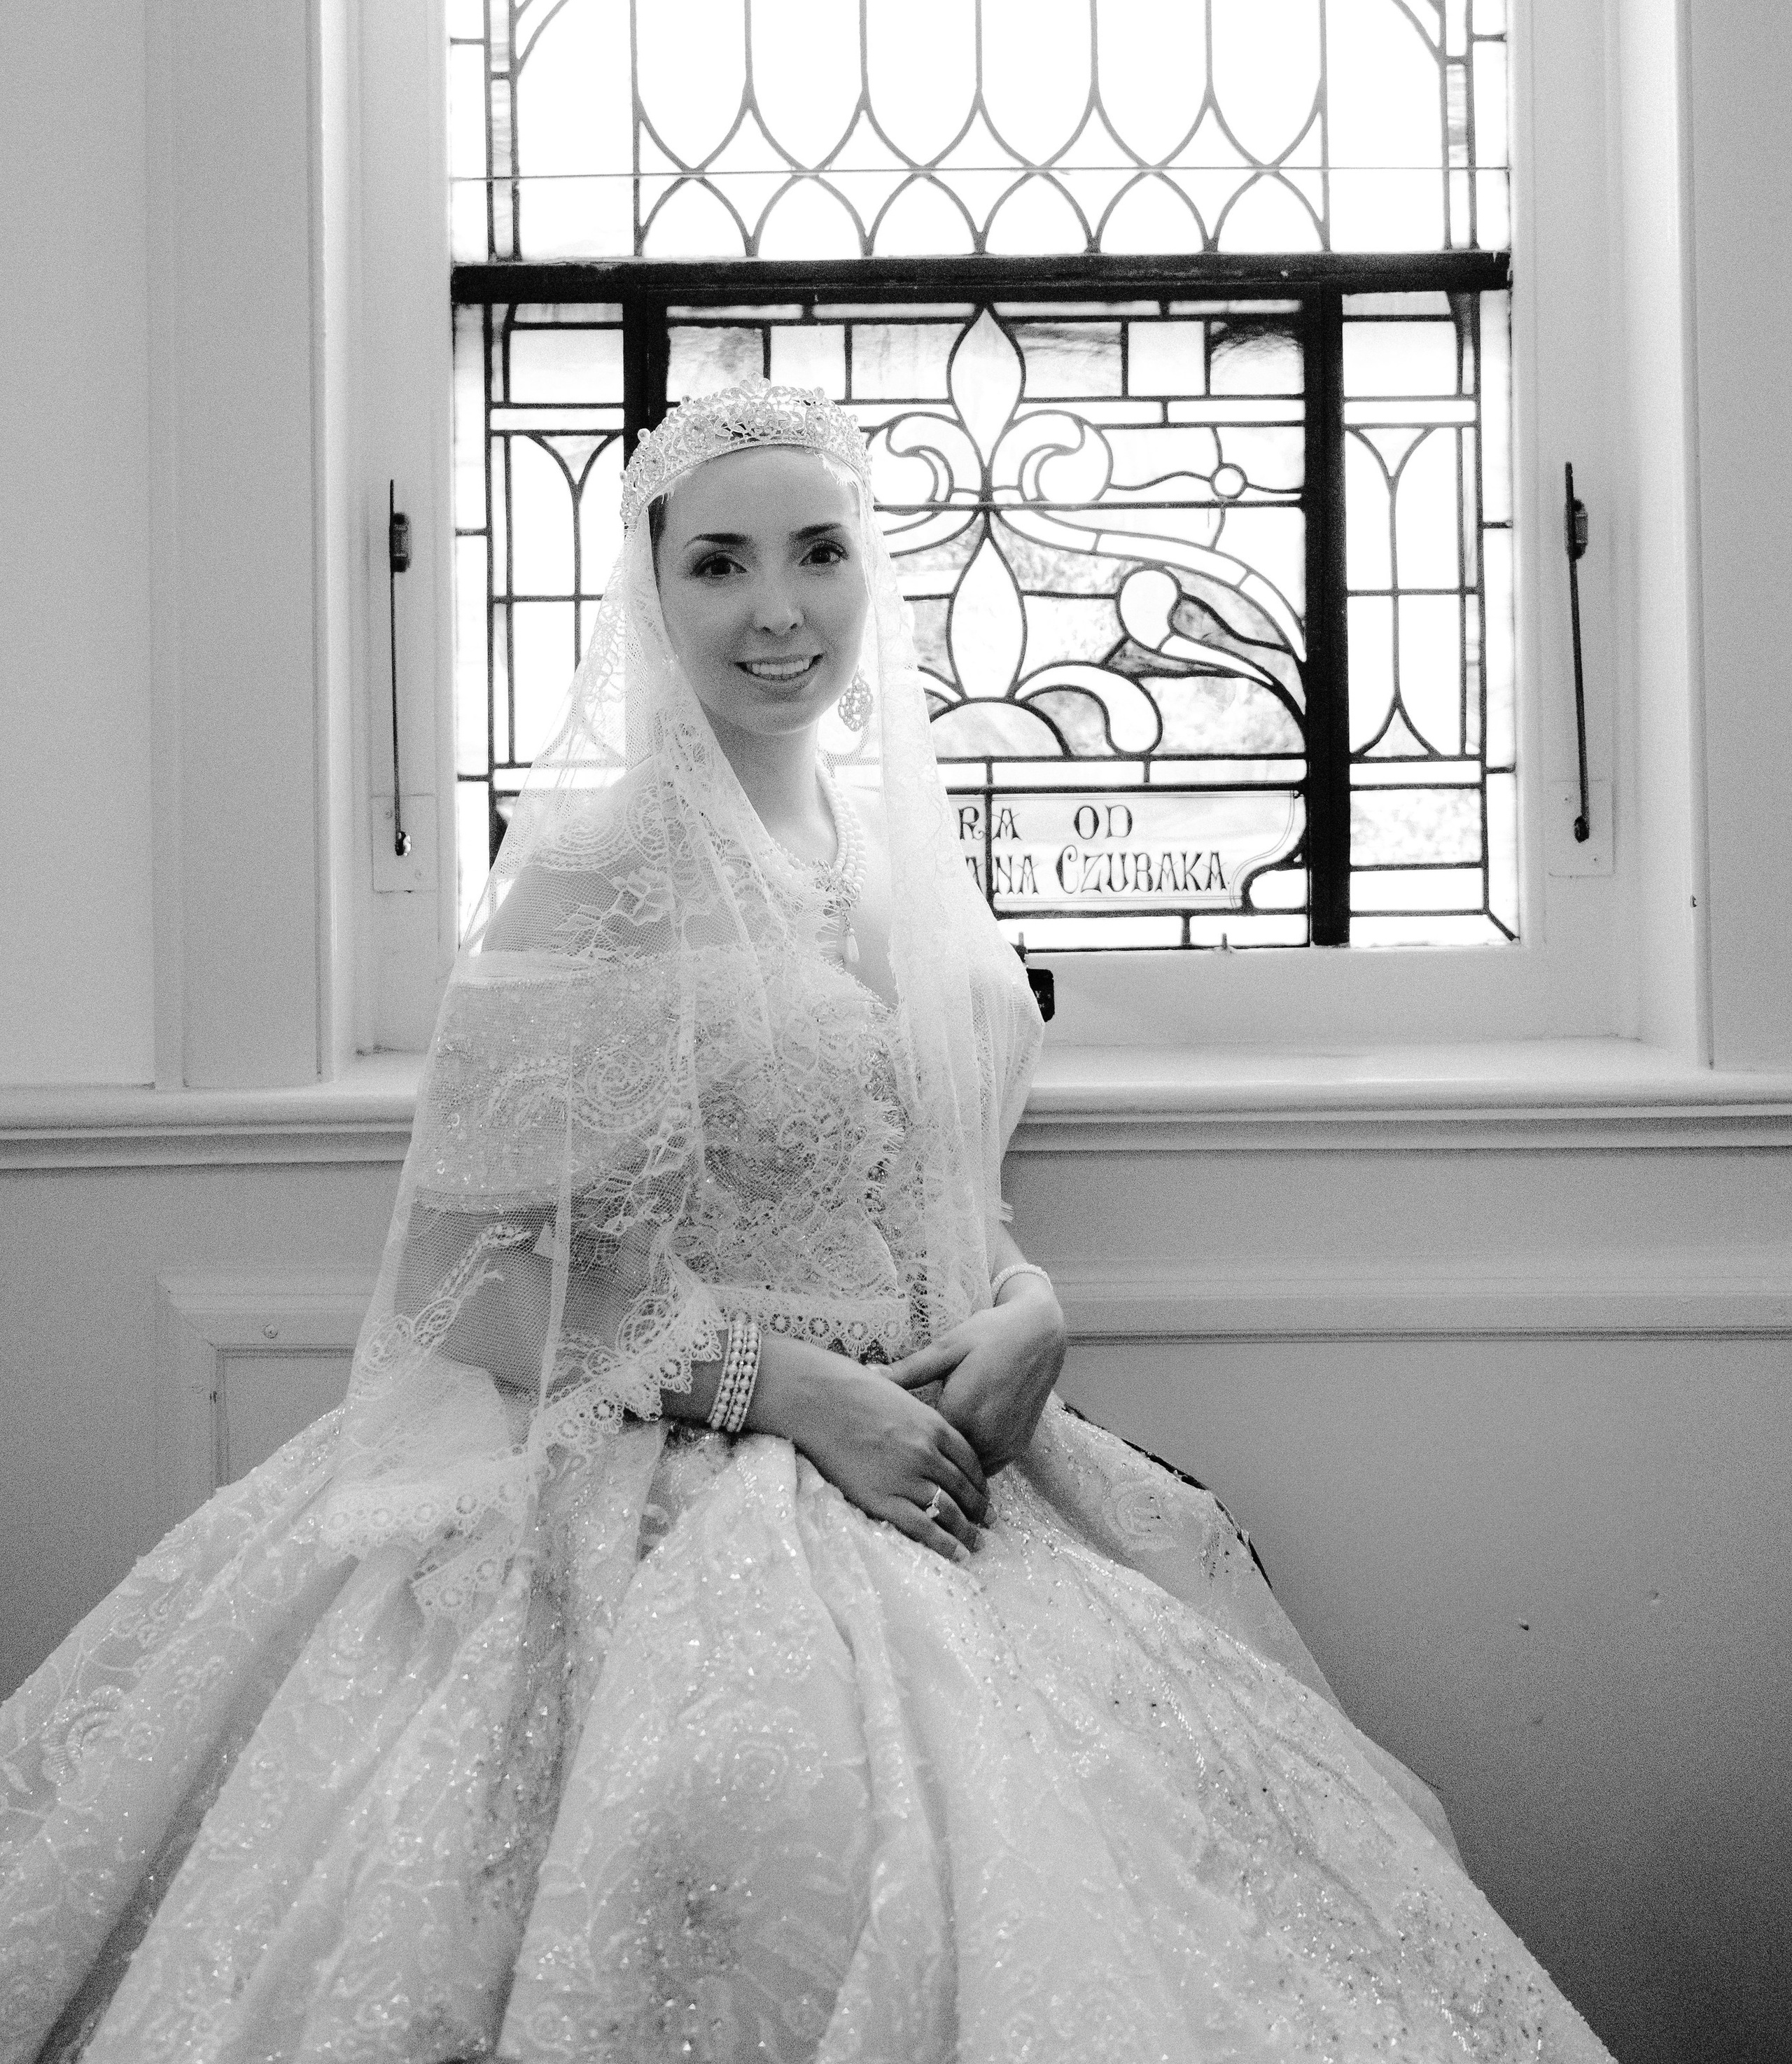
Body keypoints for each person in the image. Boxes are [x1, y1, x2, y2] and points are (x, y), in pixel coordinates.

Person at [0, 386, 1611, 2063]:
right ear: (651, 595)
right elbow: (476, 1279)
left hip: (946, 1439)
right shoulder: (591, 871)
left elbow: (938, 1181)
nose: (777, 608)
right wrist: (796, 1394)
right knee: (747, 1816)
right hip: (671, 1473)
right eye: (719, 563)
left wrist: (1029, 1306)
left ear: (871, 573)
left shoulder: (904, 855)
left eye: (819, 553)